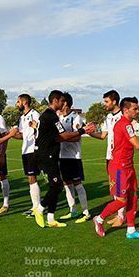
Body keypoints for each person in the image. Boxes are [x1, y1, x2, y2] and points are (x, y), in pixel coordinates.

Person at [92, 97, 139, 240]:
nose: (138, 111)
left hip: (128, 166)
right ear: (126, 110)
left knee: (133, 198)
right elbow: (137, 144)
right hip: (119, 168)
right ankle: (99, 219)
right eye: (135, 108)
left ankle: (131, 230)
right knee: (122, 200)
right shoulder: (124, 124)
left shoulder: (126, 123)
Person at [33, 90, 95, 228]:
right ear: (56, 101)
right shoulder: (52, 116)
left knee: (62, 185)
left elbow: (60, 136)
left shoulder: (69, 117)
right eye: (60, 101)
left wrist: (80, 131)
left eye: (63, 101)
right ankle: (41, 209)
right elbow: (61, 136)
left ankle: (52, 218)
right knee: (59, 185)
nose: (62, 104)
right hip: (48, 156)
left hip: (67, 156)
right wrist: (83, 130)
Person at [88, 90, 126, 227]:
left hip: (120, 157)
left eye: (106, 101)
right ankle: (119, 215)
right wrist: (90, 133)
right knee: (114, 188)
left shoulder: (124, 115)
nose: (105, 104)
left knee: (120, 189)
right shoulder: (108, 117)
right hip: (109, 156)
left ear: (114, 101)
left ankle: (121, 217)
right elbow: (103, 135)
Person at [58, 92, 91, 223]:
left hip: (73, 157)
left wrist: (62, 137)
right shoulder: (59, 118)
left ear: (65, 103)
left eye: (61, 101)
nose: (59, 104)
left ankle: (86, 212)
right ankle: (73, 210)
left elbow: (77, 136)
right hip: (62, 156)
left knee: (77, 183)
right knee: (66, 183)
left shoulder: (75, 118)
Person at [12, 93, 42, 217]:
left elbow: (40, 130)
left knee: (32, 177)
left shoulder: (34, 114)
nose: (17, 104)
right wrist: (11, 134)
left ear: (24, 102)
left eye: (18, 102)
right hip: (25, 150)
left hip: (33, 150)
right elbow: (22, 135)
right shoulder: (22, 117)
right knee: (30, 179)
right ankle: (34, 206)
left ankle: (37, 207)